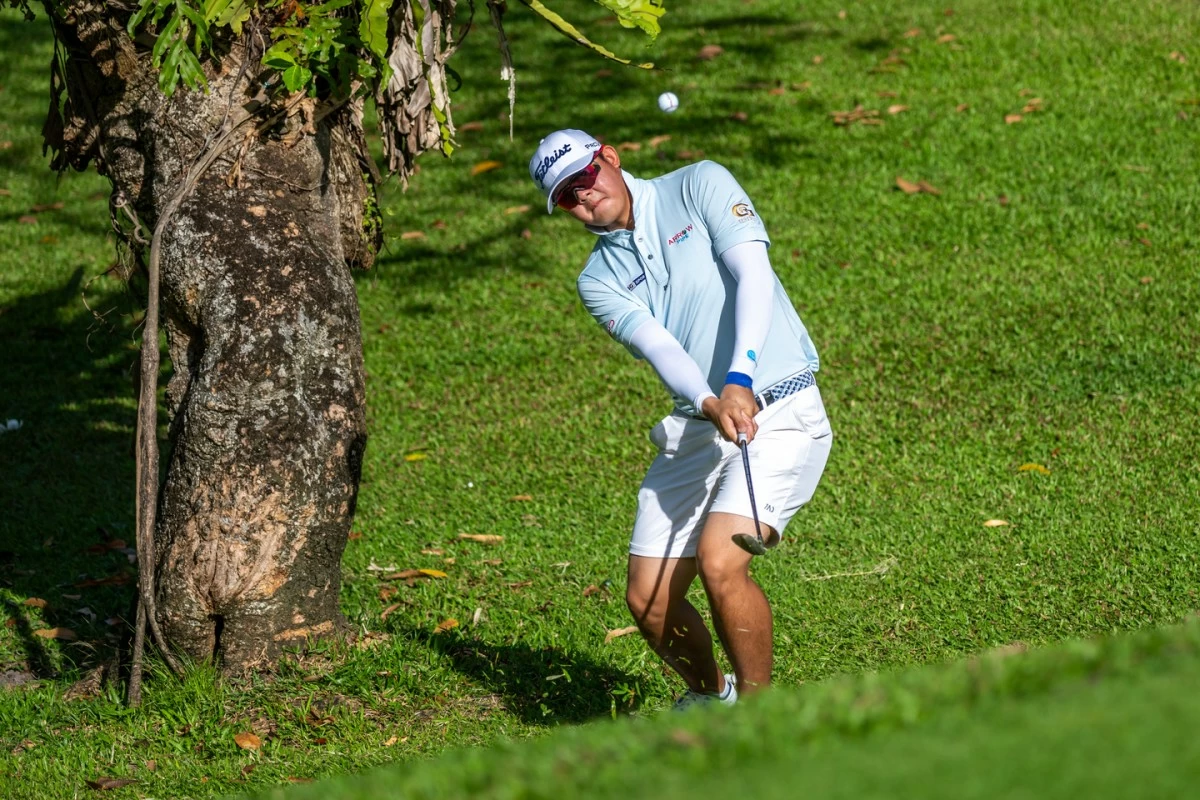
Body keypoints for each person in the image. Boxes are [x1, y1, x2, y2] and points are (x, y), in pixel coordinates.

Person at [528, 129, 833, 708]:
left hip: (780, 405)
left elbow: (754, 275)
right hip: (700, 423)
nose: (585, 197)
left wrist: (739, 378)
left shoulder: (699, 184)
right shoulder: (598, 280)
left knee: (721, 562)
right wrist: (712, 400)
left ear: (609, 158)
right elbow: (663, 349)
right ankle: (711, 696)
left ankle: (760, 717)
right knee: (648, 600)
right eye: (568, 197)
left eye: (586, 178)